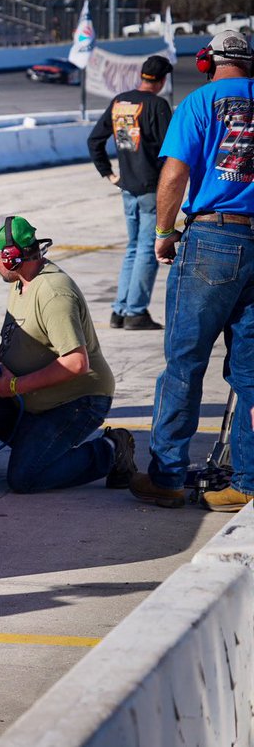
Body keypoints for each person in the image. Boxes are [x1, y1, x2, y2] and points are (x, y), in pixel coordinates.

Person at [131, 30, 254, 512]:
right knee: (250, 375)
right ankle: (245, 483)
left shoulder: (199, 102)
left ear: (208, 63)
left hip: (213, 239)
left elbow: (176, 173)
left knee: (184, 363)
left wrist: (164, 232)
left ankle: (167, 478)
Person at [0, 216, 136, 493]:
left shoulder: (54, 294)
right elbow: (9, 342)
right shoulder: (21, 283)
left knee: (25, 478)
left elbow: (76, 363)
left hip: (78, 401)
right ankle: (39, 448)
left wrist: (14, 386)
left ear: (10, 257)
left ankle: (111, 449)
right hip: (36, 396)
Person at [86, 54, 174, 331]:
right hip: (151, 188)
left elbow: (94, 140)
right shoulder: (158, 105)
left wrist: (109, 174)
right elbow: (171, 150)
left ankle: (120, 310)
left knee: (134, 247)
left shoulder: (121, 102)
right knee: (147, 248)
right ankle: (135, 312)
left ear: (142, 75)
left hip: (127, 186)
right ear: (162, 80)